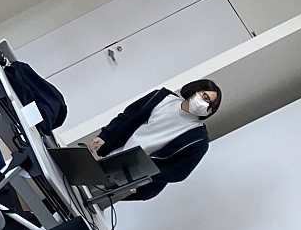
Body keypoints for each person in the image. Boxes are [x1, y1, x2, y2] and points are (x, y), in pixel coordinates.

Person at [85, 80, 222, 199]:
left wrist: (145, 172)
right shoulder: (161, 98)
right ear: (195, 90)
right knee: (81, 183)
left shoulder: (199, 139)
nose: (205, 104)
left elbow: (180, 172)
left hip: (137, 181)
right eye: (205, 97)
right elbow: (128, 115)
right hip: (114, 154)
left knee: (92, 201)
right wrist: (104, 135)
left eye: (210, 105)